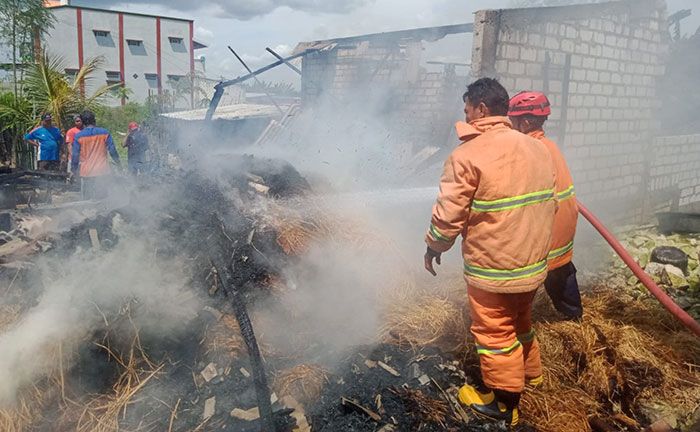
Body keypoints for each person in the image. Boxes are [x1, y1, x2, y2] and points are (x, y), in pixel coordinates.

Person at [423, 78, 557, 427]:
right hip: (532, 262)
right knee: (521, 322)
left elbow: (449, 213)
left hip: (494, 267)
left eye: (467, 108)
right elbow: (549, 203)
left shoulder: (467, 154)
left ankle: (504, 402)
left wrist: (434, 245)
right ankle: (533, 376)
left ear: (482, 109)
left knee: (495, 333)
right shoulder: (537, 148)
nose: (465, 114)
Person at [508, 91, 582, 321]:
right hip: (563, 229)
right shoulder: (549, 146)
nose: (510, 124)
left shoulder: (529, 150)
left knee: (520, 284)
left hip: (548, 232)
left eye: (513, 120)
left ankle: (514, 323)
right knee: (560, 273)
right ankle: (574, 317)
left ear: (526, 121)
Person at [71, 110, 121, 199]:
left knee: (87, 198)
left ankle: (88, 211)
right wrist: (118, 163)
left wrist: (73, 170)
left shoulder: (79, 136)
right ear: (94, 120)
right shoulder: (104, 132)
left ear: (82, 122)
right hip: (102, 170)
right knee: (102, 197)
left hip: (87, 172)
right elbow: (112, 151)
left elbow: (75, 156)